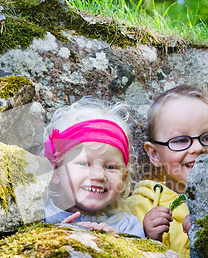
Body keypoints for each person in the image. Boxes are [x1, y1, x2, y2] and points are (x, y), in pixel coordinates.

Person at [127, 85, 208, 258]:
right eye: (181, 140)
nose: (198, 148)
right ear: (155, 154)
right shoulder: (144, 203)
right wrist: (148, 238)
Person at [43, 97, 145, 238]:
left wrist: (116, 244)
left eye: (110, 167)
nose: (99, 175)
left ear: (124, 177)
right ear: (54, 172)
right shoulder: (37, 217)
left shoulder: (127, 226)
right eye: (85, 164)